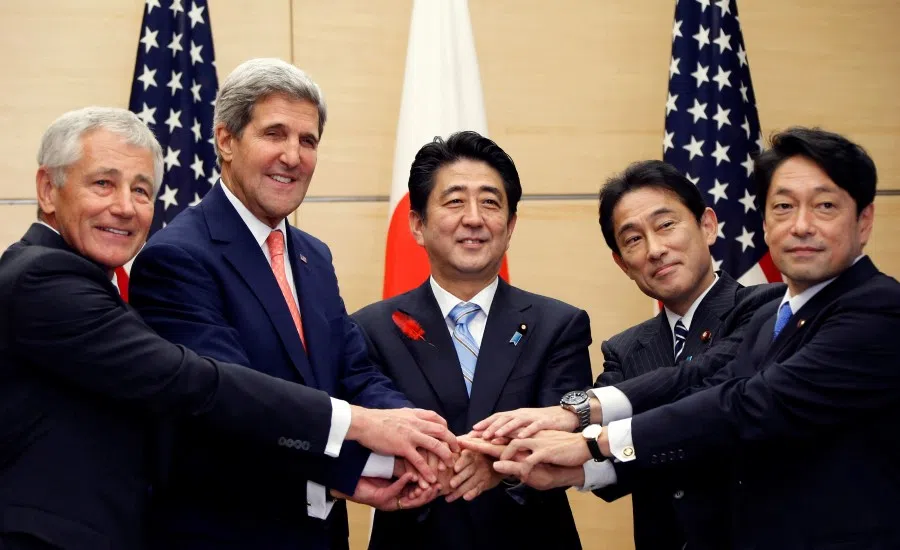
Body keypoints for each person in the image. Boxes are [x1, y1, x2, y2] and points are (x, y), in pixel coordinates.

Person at [0, 107, 456, 550]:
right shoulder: (43, 279)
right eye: (103, 183)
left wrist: (398, 451)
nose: (125, 207)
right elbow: (192, 381)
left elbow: (350, 368)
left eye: (141, 191)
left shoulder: (90, 281)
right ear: (47, 189)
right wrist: (359, 426)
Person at [465, 127, 900, 548]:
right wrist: (568, 434)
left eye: (824, 206)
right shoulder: (775, 320)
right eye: (783, 207)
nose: (801, 225)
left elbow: (744, 404)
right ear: (764, 223)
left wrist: (590, 438)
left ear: (863, 220)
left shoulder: (876, 308)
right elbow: (700, 380)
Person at [128, 58, 448, 550]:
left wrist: (421, 436)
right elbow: (228, 405)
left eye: (308, 140)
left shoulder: (313, 256)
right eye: (274, 134)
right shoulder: (176, 257)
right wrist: (361, 464)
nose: (293, 156)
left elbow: (354, 374)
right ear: (227, 140)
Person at [352, 131, 591, 550]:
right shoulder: (371, 328)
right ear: (417, 224)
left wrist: (499, 466)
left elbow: (567, 440)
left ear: (510, 225)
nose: (475, 218)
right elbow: (362, 442)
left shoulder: (559, 325)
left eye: (490, 202)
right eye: (455, 200)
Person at [590, 160, 782, 550]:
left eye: (666, 225)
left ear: (707, 225)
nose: (656, 249)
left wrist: (609, 437)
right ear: (622, 263)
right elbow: (601, 464)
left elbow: (712, 404)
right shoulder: (624, 350)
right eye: (633, 239)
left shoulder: (767, 307)